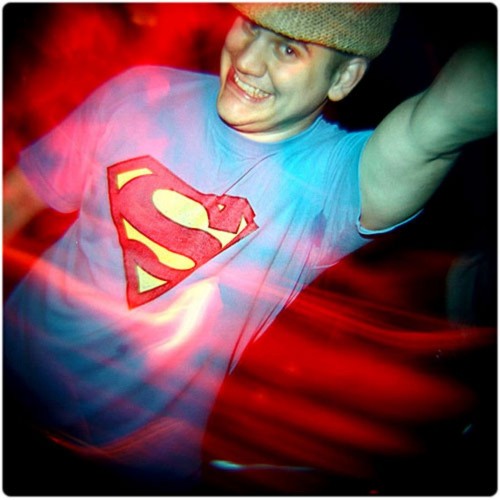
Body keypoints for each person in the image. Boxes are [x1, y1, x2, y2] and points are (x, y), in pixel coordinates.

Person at [3, 2, 496, 492]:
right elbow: (20, 195)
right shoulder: (142, 92)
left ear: (344, 77)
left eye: (288, 49)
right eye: (251, 26)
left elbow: (444, 119)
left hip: (130, 464)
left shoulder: (334, 182)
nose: (247, 60)